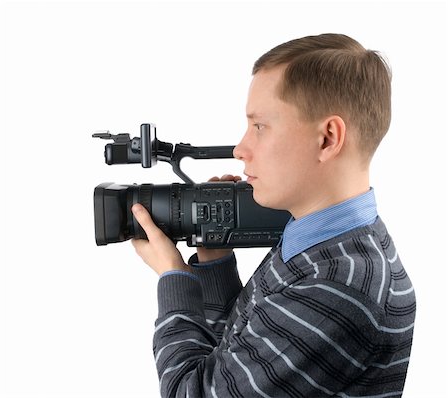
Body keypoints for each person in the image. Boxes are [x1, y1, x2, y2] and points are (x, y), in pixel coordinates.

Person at [131, 33, 416, 397]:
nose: (240, 148)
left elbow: (194, 392)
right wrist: (213, 262)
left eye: (260, 126)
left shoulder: (339, 287)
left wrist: (174, 278)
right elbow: (243, 359)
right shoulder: (319, 239)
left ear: (328, 138)